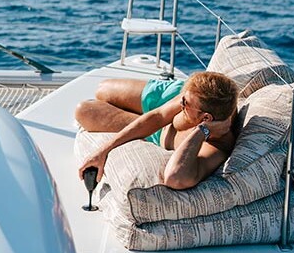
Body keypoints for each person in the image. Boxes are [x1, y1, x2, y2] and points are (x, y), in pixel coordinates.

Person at [76, 71, 238, 190]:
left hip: (157, 133)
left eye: (184, 102)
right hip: (164, 104)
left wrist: (202, 131)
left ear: (206, 118)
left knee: (84, 111)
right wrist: (104, 150)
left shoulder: (216, 146)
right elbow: (160, 115)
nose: (181, 103)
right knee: (102, 89)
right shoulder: (203, 99)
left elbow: (175, 177)